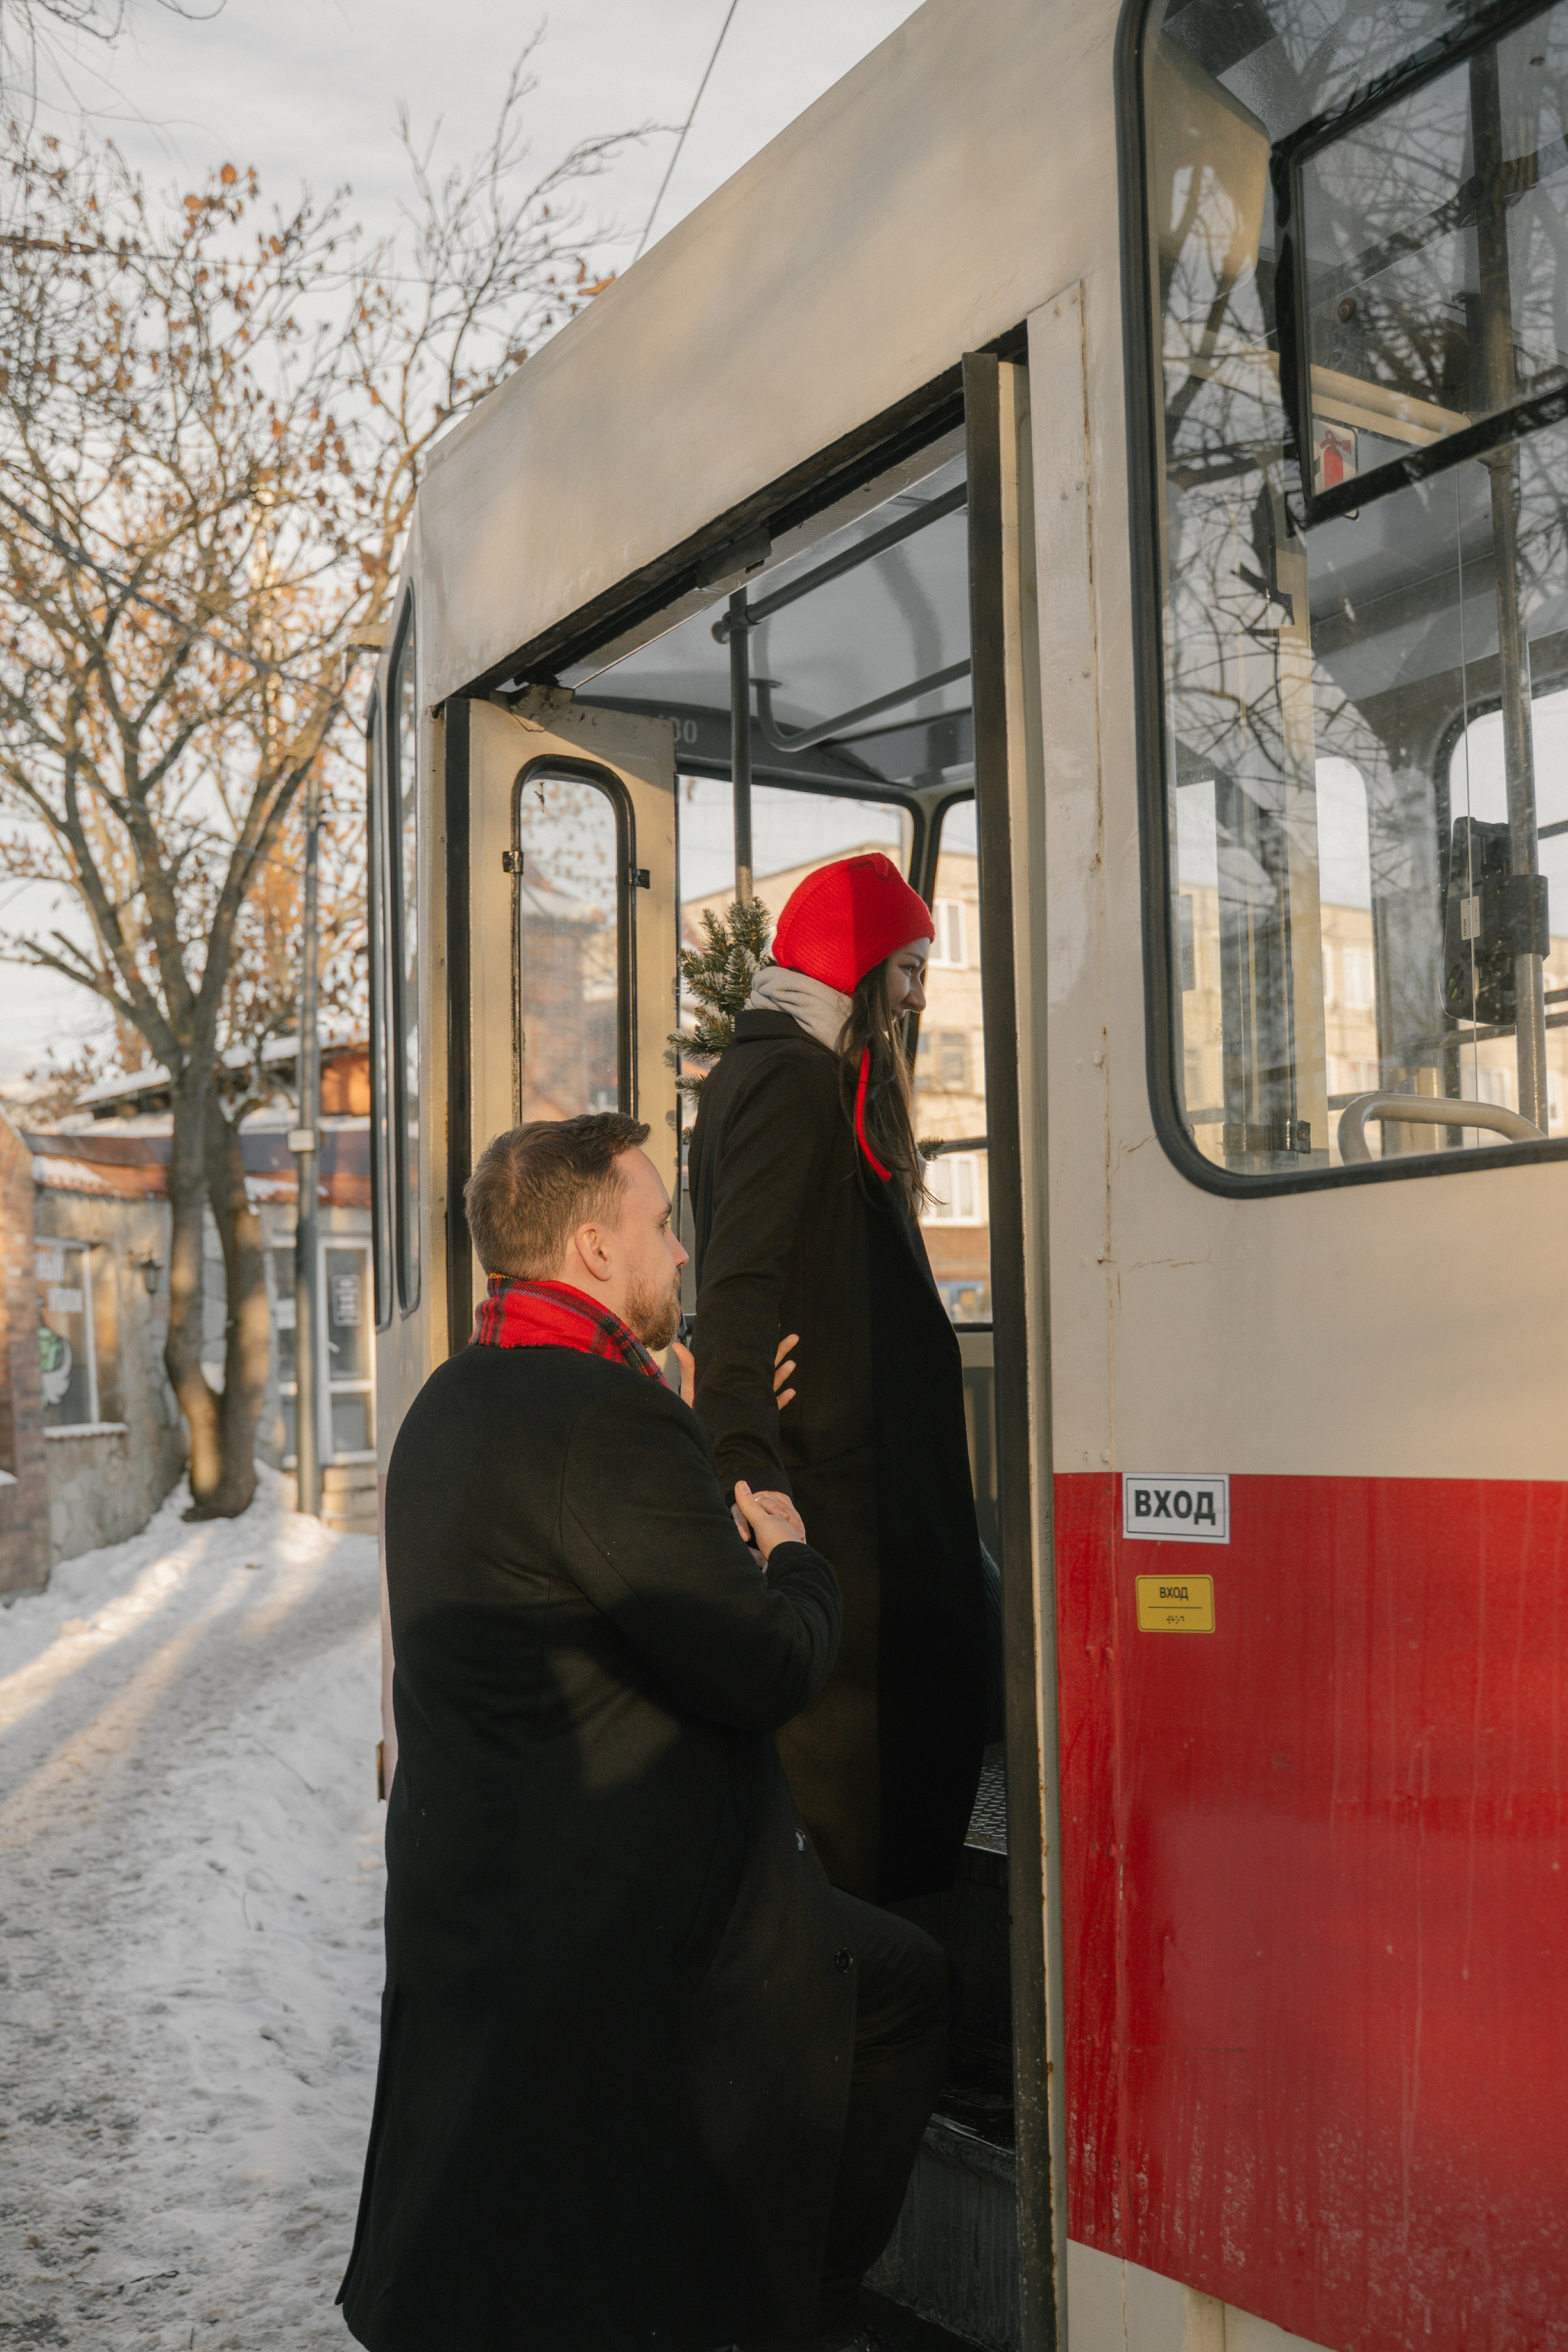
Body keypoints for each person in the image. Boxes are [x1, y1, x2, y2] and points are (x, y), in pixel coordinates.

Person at [337, 1112, 948, 2352]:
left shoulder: (453, 1405)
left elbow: (601, 1568)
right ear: (590, 1249)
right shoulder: (604, 1424)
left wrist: (702, 1445)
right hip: (626, 1922)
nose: (683, 1251)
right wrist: (792, 1553)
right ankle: (805, 2309)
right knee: (899, 1989)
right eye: (662, 1223)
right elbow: (766, 1666)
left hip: (487, 1903)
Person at [688, 853, 989, 1907]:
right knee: (879, 1792)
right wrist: (741, 1464)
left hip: (863, 1492)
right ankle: (888, 2015)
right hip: (848, 1506)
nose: (915, 995)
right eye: (906, 969)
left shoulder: (798, 1071)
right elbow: (741, 1279)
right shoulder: (790, 1080)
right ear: (855, 965)